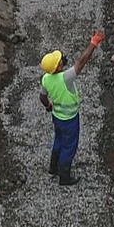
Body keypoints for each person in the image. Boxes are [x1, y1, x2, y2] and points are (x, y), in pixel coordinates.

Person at [39, 32, 104, 185]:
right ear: (59, 66)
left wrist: (48, 106)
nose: (62, 59)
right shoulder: (66, 77)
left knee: (59, 141)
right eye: (60, 60)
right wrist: (93, 44)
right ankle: (64, 176)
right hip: (70, 119)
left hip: (57, 117)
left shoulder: (46, 79)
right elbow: (81, 62)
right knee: (69, 147)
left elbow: (42, 97)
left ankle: (53, 168)